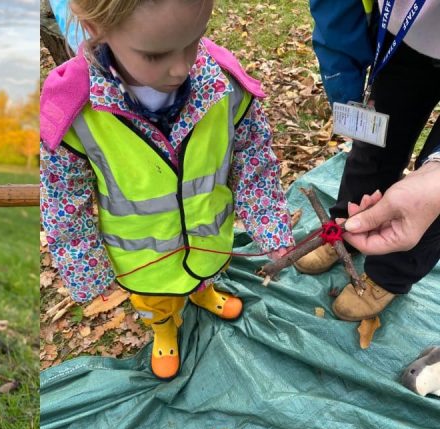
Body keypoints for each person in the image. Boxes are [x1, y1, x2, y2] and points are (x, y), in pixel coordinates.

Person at [39, 0, 293, 380]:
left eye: (194, 42)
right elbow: (62, 202)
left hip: (208, 235)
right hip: (143, 256)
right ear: (96, 28)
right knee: (155, 299)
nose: (182, 67)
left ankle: (202, 292)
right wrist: (87, 269)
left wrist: (270, 224)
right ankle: (163, 328)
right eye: (155, 55)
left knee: (205, 270)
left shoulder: (224, 85)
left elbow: (253, 159)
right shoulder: (74, 112)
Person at [297, 0, 440, 322]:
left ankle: (390, 275)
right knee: (373, 148)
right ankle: (344, 234)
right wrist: (345, 85)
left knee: (432, 198)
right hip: (402, 40)